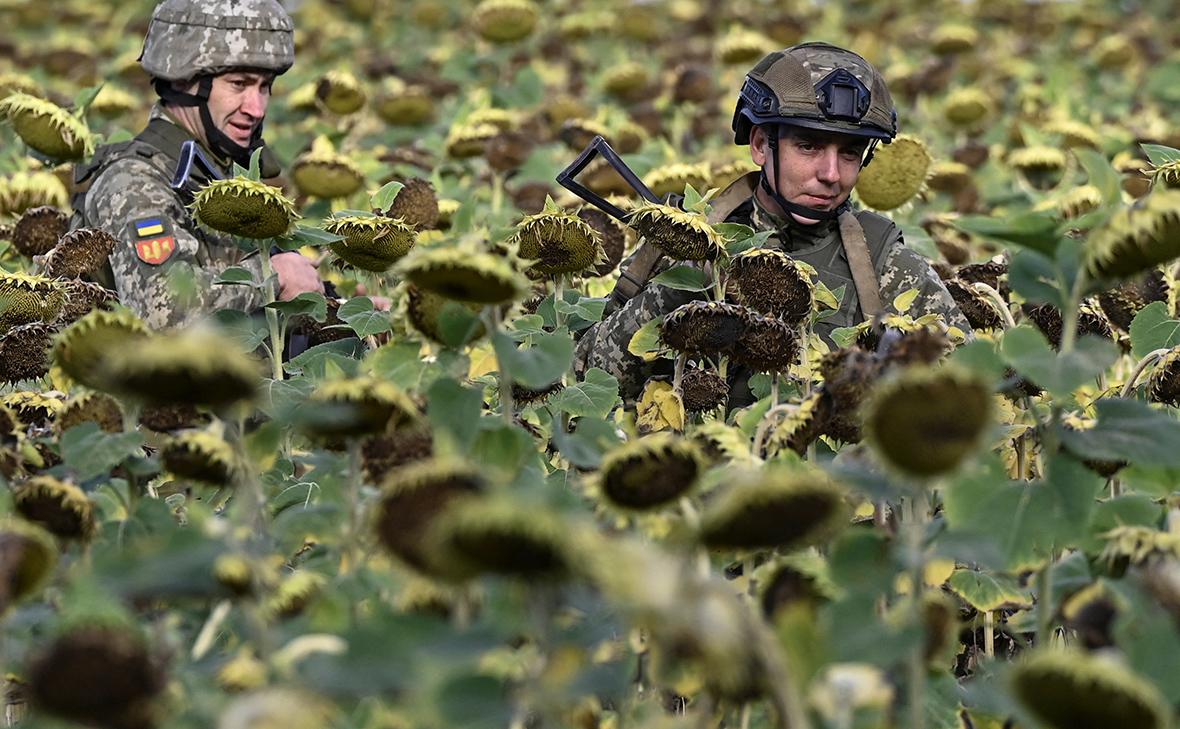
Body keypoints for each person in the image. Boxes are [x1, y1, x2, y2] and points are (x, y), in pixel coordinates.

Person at [575, 41, 970, 406]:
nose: (831, 173)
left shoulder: (886, 265)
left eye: (849, 153)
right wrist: (685, 288)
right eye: (809, 146)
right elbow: (586, 381)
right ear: (762, 145)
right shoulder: (687, 243)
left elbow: (974, 392)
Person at [69, 0, 323, 330]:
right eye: (239, 84)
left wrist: (342, 312)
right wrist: (274, 276)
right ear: (182, 82)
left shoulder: (212, 172)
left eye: (265, 87)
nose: (257, 108)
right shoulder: (134, 181)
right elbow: (165, 314)